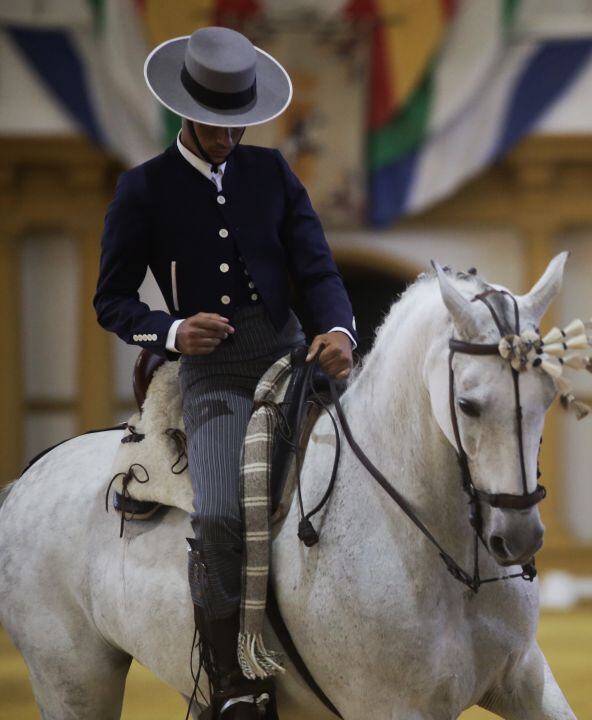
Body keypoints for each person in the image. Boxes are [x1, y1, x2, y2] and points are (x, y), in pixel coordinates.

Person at [93, 26, 355, 719]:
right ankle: (230, 680)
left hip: (289, 353)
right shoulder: (143, 189)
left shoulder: (272, 173)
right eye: (218, 126)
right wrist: (174, 330)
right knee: (216, 516)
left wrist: (337, 328)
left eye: (240, 125)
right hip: (214, 375)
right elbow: (111, 301)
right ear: (186, 111)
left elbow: (316, 268)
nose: (230, 139)